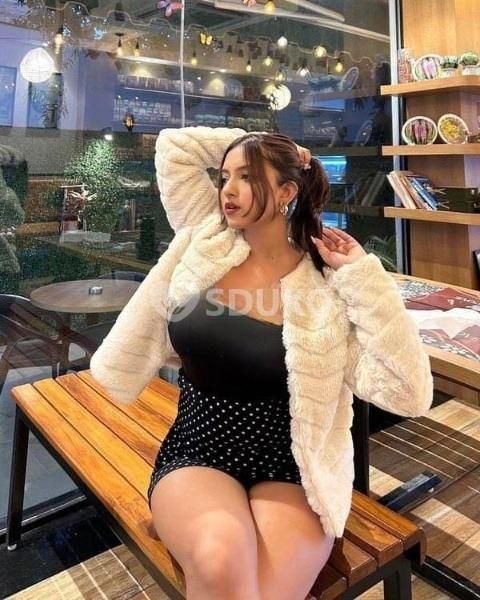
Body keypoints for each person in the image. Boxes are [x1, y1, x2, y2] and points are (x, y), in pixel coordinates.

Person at [90, 126, 433, 600]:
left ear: (287, 192)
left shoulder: (326, 286)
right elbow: (175, 147)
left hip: (293, 468)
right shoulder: (206, 235)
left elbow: (409, 393)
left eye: (247, 177)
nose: (228, 189)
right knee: (219, 558)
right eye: (224, 176)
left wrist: (363, 277)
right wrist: (268, 144)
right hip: (199, 450)